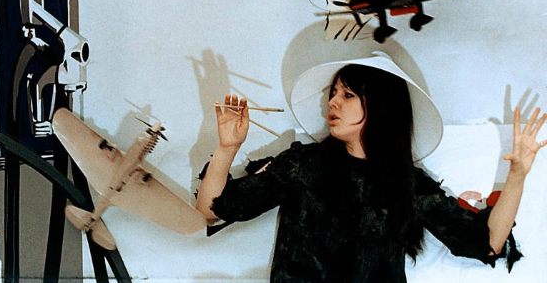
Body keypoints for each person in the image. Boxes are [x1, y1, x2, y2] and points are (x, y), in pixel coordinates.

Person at [195, 55, 546, 283]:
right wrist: (227, 147)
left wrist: (517, 176)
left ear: (380, 107)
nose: (332, 102)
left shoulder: (409, 185)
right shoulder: (303, 165)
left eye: (347, 95)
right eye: (333, 93)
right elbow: (211, 209)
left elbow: (487, 244)